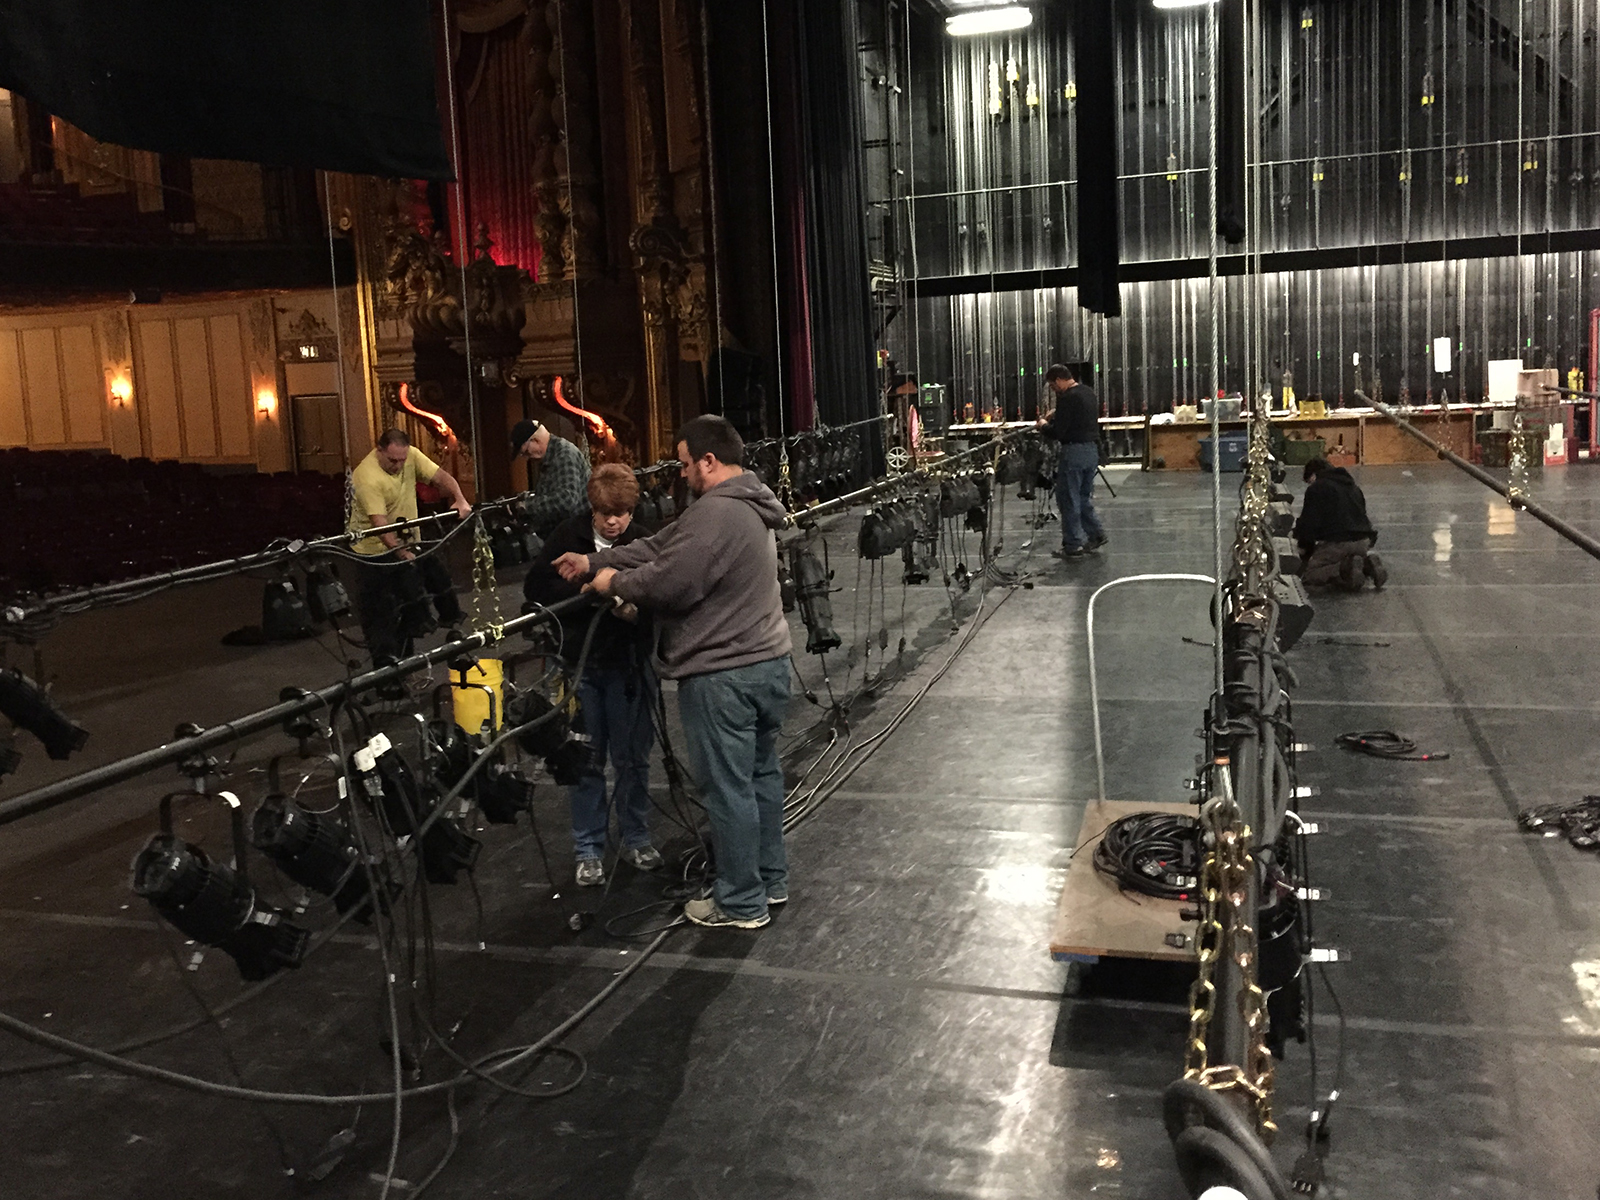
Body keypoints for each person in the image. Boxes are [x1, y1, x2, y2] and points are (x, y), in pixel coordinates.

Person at [553, 414, 791, 930]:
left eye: (685, 464)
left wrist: (612, 579)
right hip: (768, 665)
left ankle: (740, 901)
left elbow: (670, 582)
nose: (681, 474)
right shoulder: (745, 504)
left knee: (728, 790)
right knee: (760, 778)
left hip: (725, 675)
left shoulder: (716, 515)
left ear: (708, 461)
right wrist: (595, 562)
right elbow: (662, 545)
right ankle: (769, 882)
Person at [523, 464, 662, 886]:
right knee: (586, 762)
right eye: (606, 514)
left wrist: (634, 610)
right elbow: (536, 588)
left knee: (632, 759)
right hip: (582, 668)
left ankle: (636, 837)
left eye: (622, 512)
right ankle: (589, 849)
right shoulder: (568, 538)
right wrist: (585, 594)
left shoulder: (643, 540)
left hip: (630, 668)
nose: (615, 521)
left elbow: (663, 595)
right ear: (592, 509)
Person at [347, 429, 471, 670]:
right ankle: (386, 676)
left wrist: (460, 497)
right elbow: (379, 525)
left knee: (420, 593)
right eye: (392, 460)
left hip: (407, 542)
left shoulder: (410, 455)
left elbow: (441, 476)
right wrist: (402, 554)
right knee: (381, 617)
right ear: (379, 450)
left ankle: (409, 664)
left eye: (402, 460)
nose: (398, 466)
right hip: (373, 555)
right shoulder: (367, 477)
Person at [1035, 363, 1106, 558]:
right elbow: (1079, 416)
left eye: (1052, 385)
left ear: (1059, 380)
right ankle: (1096, 534)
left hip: (1073, 452)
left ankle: (1073, 544)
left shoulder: (1067, 398)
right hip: (1091, 451)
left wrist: (1042, 425)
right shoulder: (1087, 392)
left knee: (1068, 498)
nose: (1053, 390)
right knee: (1083, 497)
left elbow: (1058, 432)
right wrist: (1057, 414)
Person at [1294, 456, 1386, 590]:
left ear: (1313, 475)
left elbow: (1309, 523)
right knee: (1352, 563)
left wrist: (1304, 547)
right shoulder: (1353, 487)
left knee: (1310, 575)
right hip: (1363, 541)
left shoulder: (1317, 488)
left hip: (1338, 543)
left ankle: (1344, 569)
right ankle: (1367, 565)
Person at [511, 418, 591, 539]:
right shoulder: (550, 457)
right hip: (566, 535)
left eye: (526, 452)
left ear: (535, 440)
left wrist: (526, 506)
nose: (526, 458)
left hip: (576, 538)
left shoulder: (564, 455)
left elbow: (566, 500)